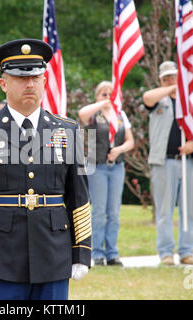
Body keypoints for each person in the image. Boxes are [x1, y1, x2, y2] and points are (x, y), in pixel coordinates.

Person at [0, 39, 91, 300]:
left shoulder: (68, 130)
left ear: (45, 81)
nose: (30, 84)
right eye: (19, 78)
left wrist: (82, 250)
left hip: (54, 254)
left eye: (37, 77)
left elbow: (80, 196)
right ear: (3, 83)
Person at [142, 61, 193, 266]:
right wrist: (172, 89)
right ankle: (166, 253)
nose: (170, 80)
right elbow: (147, 98)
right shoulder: (159, 99)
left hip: (190, 161)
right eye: (166, 77)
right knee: (165, 209)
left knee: (190, 209)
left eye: (173, 76)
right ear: (160, 80)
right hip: (164, 161)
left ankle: (187, 251)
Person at [78, 81, 134, 266]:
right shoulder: (94, 114)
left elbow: (130, 141)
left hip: (116, 166)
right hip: (97, 165)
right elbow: (81, 114)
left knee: (114, 212)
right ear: (97, 96)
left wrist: (119, 150)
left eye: (111, 94)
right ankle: (97, 253)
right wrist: (102, 103)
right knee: (99, 212)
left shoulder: (120, 115)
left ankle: (112, 253)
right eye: (104, 94)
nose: (108, 97)